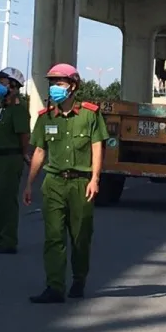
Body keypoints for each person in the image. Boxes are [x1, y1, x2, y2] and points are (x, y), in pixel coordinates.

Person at [23, 63, 108, 304]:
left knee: (80, 236)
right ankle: (54, 287)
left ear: (73, 86)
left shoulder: (90, 115)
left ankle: (79, 278)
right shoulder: (46, 117)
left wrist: (95, 179)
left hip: (81, 184)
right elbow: (39, 151)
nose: (54, 88)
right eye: (52, 84)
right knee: (53, 237)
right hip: (54, 183)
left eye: (59, 84)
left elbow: (97, 147)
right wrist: (29, 183)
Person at [0, 67, 32, 255]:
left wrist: (24, 153)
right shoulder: (4, 109)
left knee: (7, 201)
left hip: (11, 158)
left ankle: (8, 241)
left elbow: (24, 135)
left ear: (13, 85)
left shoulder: (18, 110)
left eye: (2, 82)